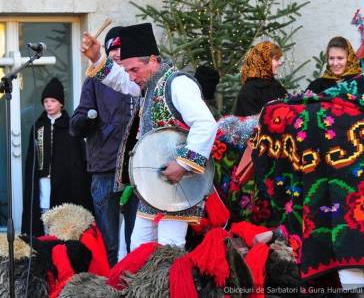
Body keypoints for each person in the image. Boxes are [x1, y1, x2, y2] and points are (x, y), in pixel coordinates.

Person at [80, 23, 218, 249]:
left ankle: (167, 286)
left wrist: (183, 163)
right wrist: (97, 59)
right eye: (128, 70)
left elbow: (205, 124)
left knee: (169, 249)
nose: (131, 77)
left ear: (153, 60)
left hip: (177, 186)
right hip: (153, 189)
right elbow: (121, 81)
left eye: (134, 70)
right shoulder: (150, 83)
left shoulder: (178, 83)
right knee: (139, 248)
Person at [70, 26, 139, 266]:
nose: (118, 54)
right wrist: (88, 120)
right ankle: (110, 285)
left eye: (122, 49)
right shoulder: (95, 80)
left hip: (136, 172)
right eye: (113, 49)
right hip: (105, 168)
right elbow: (76, 122)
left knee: (135, 240)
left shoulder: (137, 78)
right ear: (106, 52)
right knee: (110, 242)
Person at [22, 78, 92, 237]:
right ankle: (45, 241)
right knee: (45, 211)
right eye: (45, 101)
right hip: (43, 180)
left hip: (65, 181)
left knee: (62, 213)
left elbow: (77, 157)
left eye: (52, 100)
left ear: (60, 103)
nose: (48, 104)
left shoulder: (70, 125)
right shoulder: (38, 126)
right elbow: (32, 158)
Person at [234, 41, 287, 116]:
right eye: (276, 59)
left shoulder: (275, 85)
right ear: (264, 60)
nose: (280, 63)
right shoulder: (250, 90)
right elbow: (251, 123)